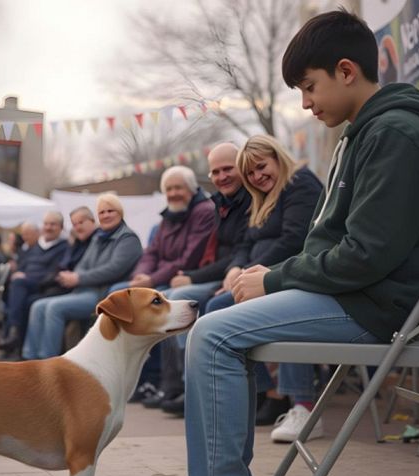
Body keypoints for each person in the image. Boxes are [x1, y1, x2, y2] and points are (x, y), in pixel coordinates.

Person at [184, 10, 419, 476]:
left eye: (309, 86)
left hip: (377, 306)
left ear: (346, 71)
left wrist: (275, 277)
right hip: (361, 294)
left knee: (211, 337)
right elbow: (344, 246)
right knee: (214, 323)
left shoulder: (393, 134)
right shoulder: (366, 133)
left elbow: (368, 254)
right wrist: (274, 276)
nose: (307, 102)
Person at [202, 134, 324, 426]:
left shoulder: (298, 183)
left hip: (291, 274)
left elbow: (294, 239)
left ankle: (301, 403)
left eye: (261, 167)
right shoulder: (262, 197)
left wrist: (252, 273)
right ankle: (265, 392)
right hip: (260, 274)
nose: (257, 176)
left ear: (277, 157)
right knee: (215, 307)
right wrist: (235, 269)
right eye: (250, 173)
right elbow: (246, 242)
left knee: (221, 310)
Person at [149, 142, 251, 413]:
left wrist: (190, 277)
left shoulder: (214, 208)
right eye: (216, 172)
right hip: (215, 273)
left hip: (232, 274)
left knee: (174, 298)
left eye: (228, 169)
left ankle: (189, 386)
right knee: (162, 298)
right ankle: (173, 385)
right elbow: (153, 252)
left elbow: (222, 255)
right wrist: (144, 275)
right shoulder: (219, 204)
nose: (221, 177)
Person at [112, 165, 216, 401]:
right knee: (120, 294)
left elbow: (189, 257)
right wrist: (141, 276)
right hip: (164, 278)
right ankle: (150, 379)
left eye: (178, 187)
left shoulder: (203, 211)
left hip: (190, 275)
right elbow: (151, 253)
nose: (173, 193)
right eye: (169, 189)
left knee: (164, 302)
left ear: (191, 188)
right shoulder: (168, 216)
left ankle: (173, 383)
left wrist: (150, 280)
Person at [21, 196, 143, 360]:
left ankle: (47, 362)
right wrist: (73, 276)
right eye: (102, 212)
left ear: (120, 212)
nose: (106, 215)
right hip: (83, 291)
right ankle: (30, 359)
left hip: (101, 294)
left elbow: (114, 269)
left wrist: (78, 278)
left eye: (110, 211)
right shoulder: (99, 237)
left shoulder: (128, 238)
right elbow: (83, 264)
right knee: (38, 306)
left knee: (54, 307)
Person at [0, 212, 68, 355]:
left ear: (61, 227)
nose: (48, 227)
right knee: (25, 301)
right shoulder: (35, 247)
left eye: (53, 224)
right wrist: (19, 272)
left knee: (18, 285)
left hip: (46, 288)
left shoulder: (64, 247)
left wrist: (27, 276)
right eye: (46, 224)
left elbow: (54, 273)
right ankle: (22, 350)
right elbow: (23, 266)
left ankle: (14, 333)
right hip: (27, 289)